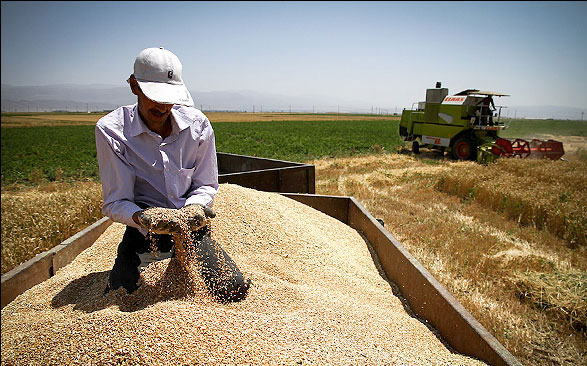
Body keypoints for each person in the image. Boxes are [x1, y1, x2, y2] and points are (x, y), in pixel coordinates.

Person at [95, 47, 250, 302]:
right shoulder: (112, 131)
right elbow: (116, 200)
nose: (163, 106)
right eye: (154, 96)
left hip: (190, 227)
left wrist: (195, 208)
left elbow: (205, 184)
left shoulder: (198, 126)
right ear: (134, 86)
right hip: (143, 230)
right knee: (122, 293)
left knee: (232, 288)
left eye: (169, 97)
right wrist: (143, 217)